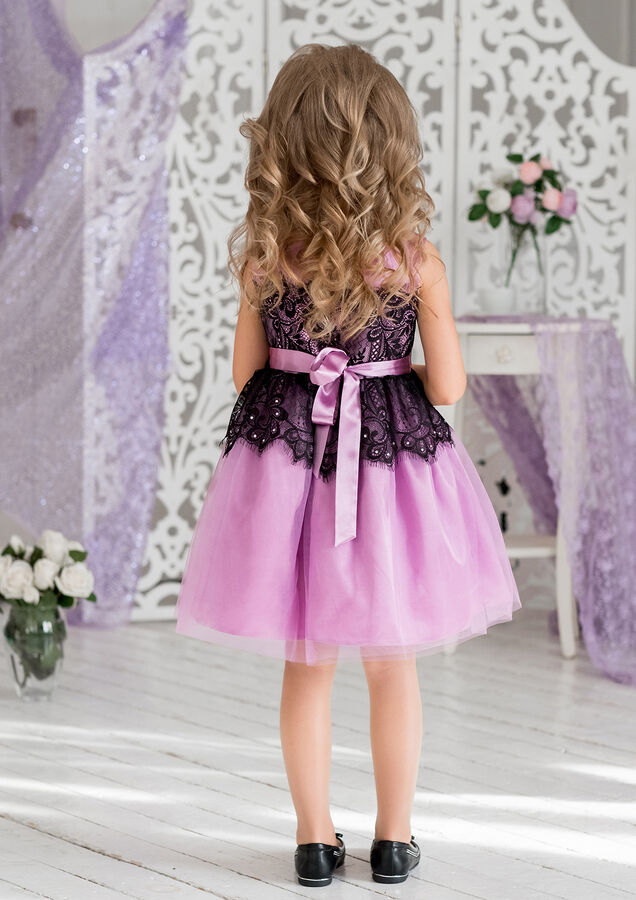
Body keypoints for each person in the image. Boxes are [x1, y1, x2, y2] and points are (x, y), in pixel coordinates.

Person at [175, 42, 521, 888]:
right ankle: (394, 839)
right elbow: (448, 387)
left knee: (308, 662)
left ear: (283, 145)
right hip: (391, 468)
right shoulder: (415, 260)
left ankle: (312, 838)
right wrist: (402, 351)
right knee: (390, 660)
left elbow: (246, 375)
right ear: (391, 145)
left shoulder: (266, 259)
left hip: (292, 472)